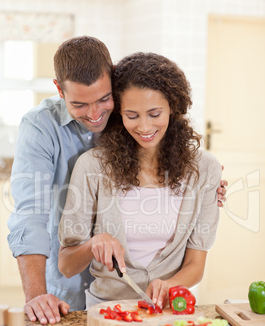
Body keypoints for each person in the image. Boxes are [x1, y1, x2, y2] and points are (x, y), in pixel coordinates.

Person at [8, 36, 226, 325]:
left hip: (161, 313)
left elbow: (195, 260)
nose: (96, 114)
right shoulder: (46, 130)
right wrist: (37, 295)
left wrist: (207, 184)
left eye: (103, 100)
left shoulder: (137, 116)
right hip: (80, 294)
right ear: (59, 90)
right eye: (80, 105)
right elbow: (30, 215)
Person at [58, 52, 223, 310]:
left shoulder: (205, 169)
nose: (145, 127)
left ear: (173, 107)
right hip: (106, 310)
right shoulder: (93, 166)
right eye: (132, 116)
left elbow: (195, 266)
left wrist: (170, 284)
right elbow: (67, 265)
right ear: (119, 113)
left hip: (171, 310)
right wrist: (93, 244)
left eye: (155, 113)